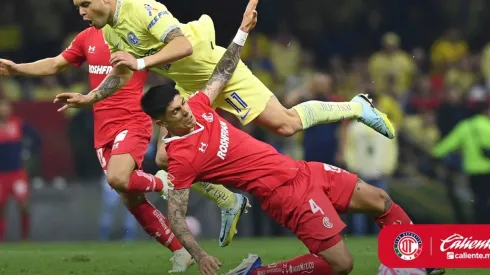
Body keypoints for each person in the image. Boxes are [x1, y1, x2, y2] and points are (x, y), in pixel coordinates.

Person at [139, 5, 444, 275]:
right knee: (342, 265)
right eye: (177, 112)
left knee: (381, 200)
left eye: (182, 103)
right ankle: (257, 273)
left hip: (302, 170)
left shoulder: (199, 106)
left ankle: (415, 259)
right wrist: (199, 254)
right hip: (284, 195)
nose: (186, 112)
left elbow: (223, 70)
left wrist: (243, 31)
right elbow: (176, 217)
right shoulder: (182, 158)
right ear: (162, 122)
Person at [0, 26, 248, 271]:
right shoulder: (87, 37)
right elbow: (56, 64)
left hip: (132, 122)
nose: (82, 11)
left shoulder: (135, 31)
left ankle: (164, 182)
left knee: (118, 178)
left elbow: (179, 48)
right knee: (131, 198)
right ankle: (180, 252)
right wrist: (17, 69)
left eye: (86, 4)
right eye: (79, 7)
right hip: (102, 130)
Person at [0, 98, 41, 241]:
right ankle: (2, 239)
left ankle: (25, 237)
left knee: (24, 205)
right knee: (1, 208)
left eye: (5, 106)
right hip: (1, 175)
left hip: (17, 173)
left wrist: (28, 151)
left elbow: (36, 137)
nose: (3, 110)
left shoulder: (18, 123)